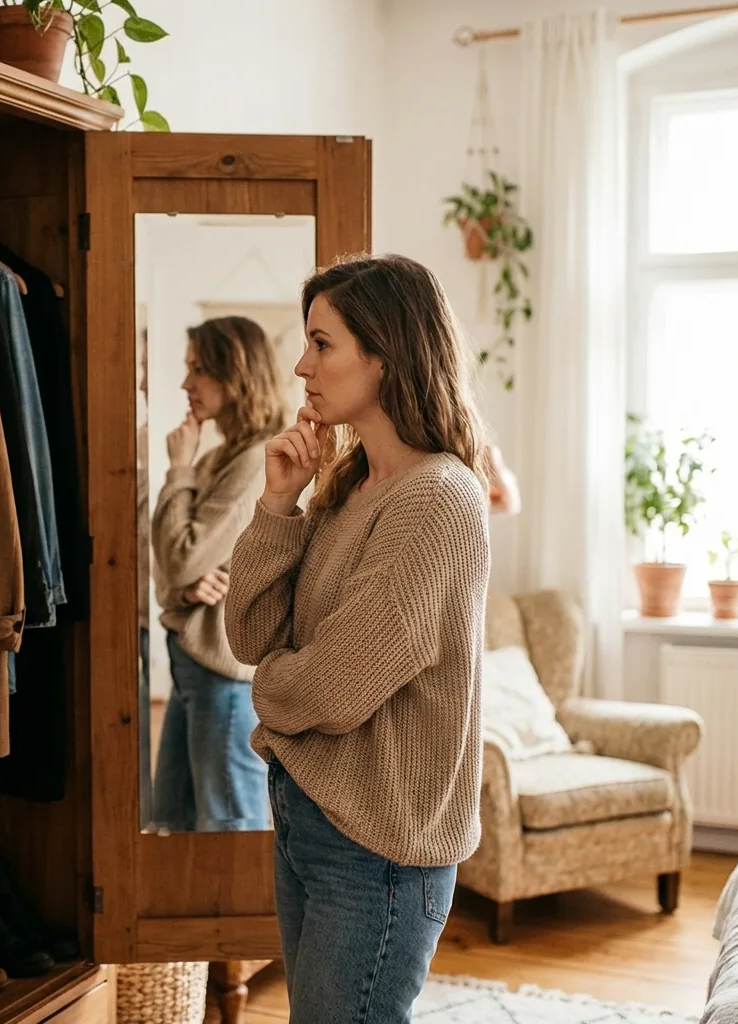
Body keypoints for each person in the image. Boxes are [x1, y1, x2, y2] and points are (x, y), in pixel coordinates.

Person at [225, 255, 491, 1023]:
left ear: (385, 353)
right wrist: (279, 503)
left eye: (322, 343)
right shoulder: (346, 486)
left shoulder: (437, 500)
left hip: (377, 849)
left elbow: (333, 692)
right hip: (309, 814)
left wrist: (269, 690)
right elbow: (249, 634)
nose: (301, 365)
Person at [151, 316, 288, 832]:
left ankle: (240, 919)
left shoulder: (254, 461)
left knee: (230, 823)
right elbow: (167, 564)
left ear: (238, 377)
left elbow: (180, 555)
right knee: (180, 817)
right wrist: (183, 589)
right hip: (191, 658)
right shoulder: (215, 460)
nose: (186, 383)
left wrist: (177, 468)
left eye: (200, 370)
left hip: (224, 670)